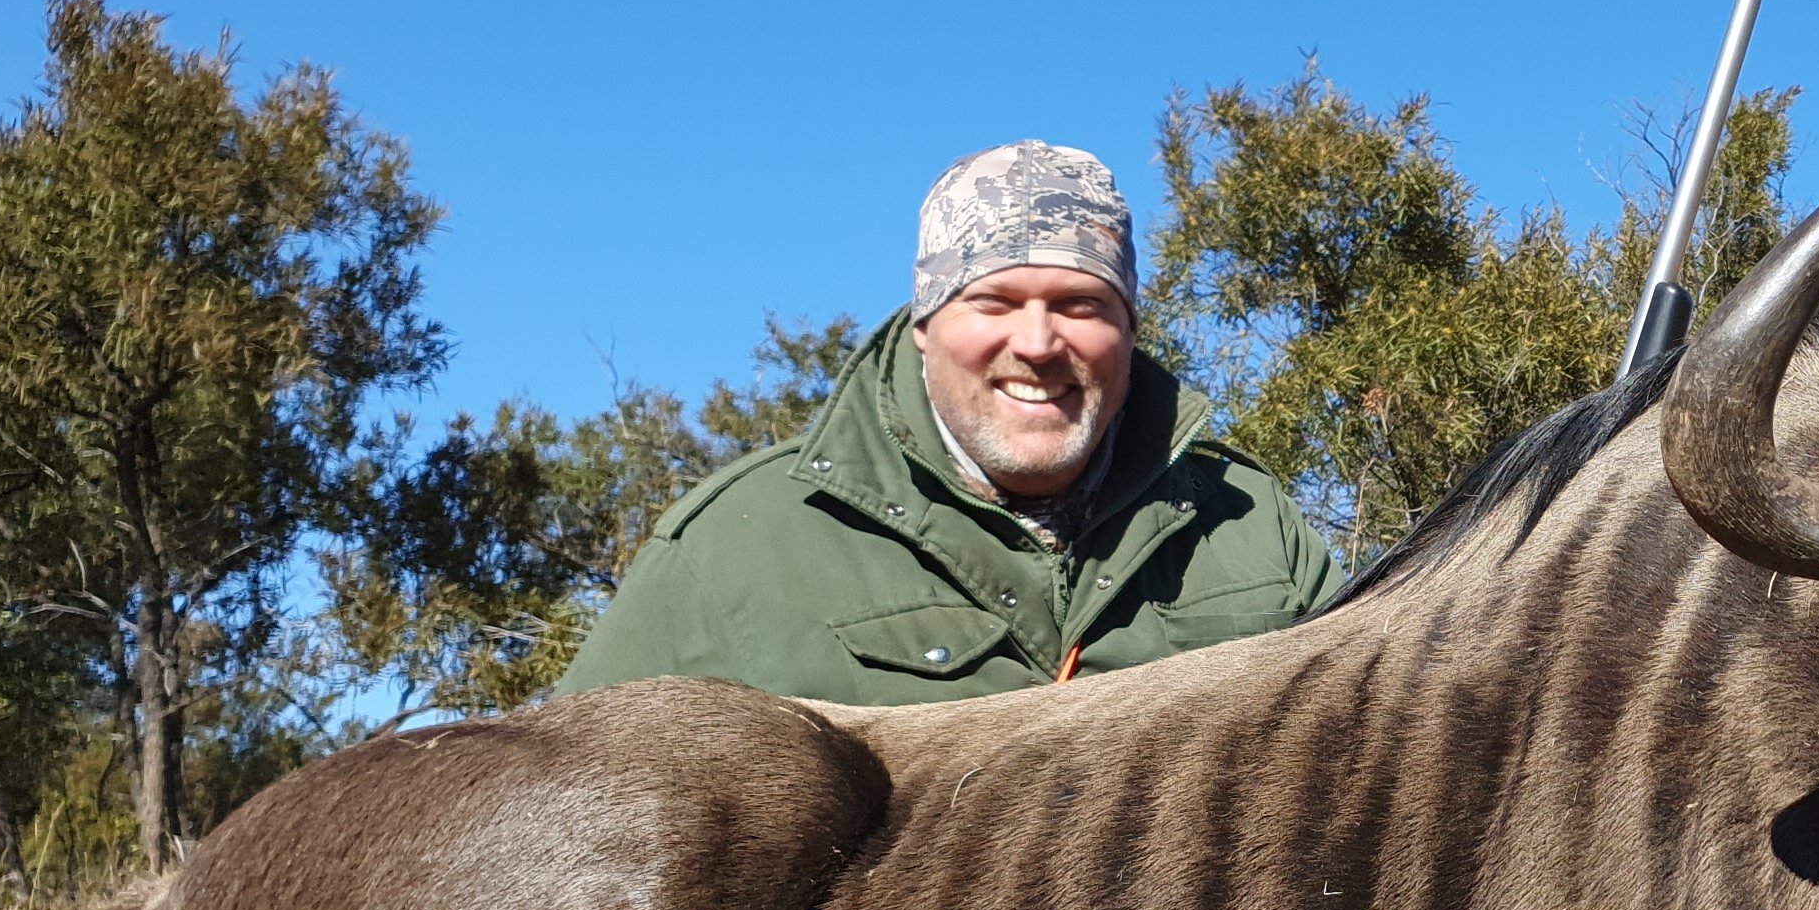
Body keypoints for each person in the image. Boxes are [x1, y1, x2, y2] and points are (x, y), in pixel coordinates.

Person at [558, 141, 1337, 705]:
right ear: (926, 326)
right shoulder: (733, 547)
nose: (1036, 344)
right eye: (993, 303)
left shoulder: (1251, 522)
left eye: (1082, 305)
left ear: (1128, 329)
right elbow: (553, 827)